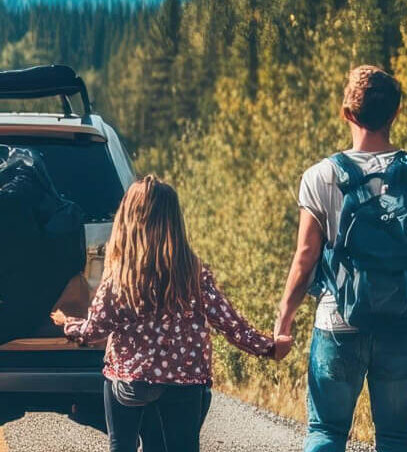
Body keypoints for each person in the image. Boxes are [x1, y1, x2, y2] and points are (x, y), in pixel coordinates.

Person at [271, 66, 407, 452]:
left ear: (347, 113)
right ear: (395, 114)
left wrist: (284, 322)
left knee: (326, 432)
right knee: (394, 437)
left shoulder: (321, 176)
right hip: (402, 324)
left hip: (337, 321)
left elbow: (305, 257)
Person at [56, 175, 281, 452]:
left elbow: (94, 331)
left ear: (128, 220)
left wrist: (69, 324)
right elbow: (229, 323)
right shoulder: (193, 274)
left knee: (121, 443)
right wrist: (268, 347)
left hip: (132, 381)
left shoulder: (121, 277)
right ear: (175, 222)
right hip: (184, 384)